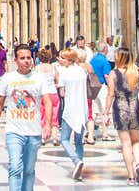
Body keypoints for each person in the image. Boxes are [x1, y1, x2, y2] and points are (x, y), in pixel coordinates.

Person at [0, 44, 55, 191]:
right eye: (22, 58)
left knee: (29, 170)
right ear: (16, 60)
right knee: (14, 167)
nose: (26, 61)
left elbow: (47, 102)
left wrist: (48, 125)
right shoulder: (7, 78)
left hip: (33, 131)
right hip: (14, 131)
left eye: (28, 58)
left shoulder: (39, 78)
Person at [106, 48, 139, 185]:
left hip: (120, 109)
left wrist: (105, 112)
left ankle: (131, 177)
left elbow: (111, 94)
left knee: (126, 144)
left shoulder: (114, 73)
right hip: (135, 108)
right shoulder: (137, 72)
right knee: (137, 141)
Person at [55, 48, 91, 180]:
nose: (60, 60)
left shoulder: (64, 72)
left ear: (69, 60)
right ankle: (79, 170)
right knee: (78, 142)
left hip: (70, 109)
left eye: (62, 58)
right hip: (82, 110)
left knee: (64, 139)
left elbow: (62, 93)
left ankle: (76, 161)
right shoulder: (82, 71)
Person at [34, 49, 61, 146]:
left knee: (42, 115)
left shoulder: (37, 68)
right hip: (53, 93)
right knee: (54, 115)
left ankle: (43, 138)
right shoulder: (53, 67)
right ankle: (55, 138)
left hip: (42, 94)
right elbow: (57, 81)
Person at [90, 42, 115, 142]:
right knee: (105, 111)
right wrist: (111, 88)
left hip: (93, 87)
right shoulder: (105, 61)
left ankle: (90, 134)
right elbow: (107, 76)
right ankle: (105, 133)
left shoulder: (93, 59)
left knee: (94, 111)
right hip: (102, 87)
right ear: (105, 50)